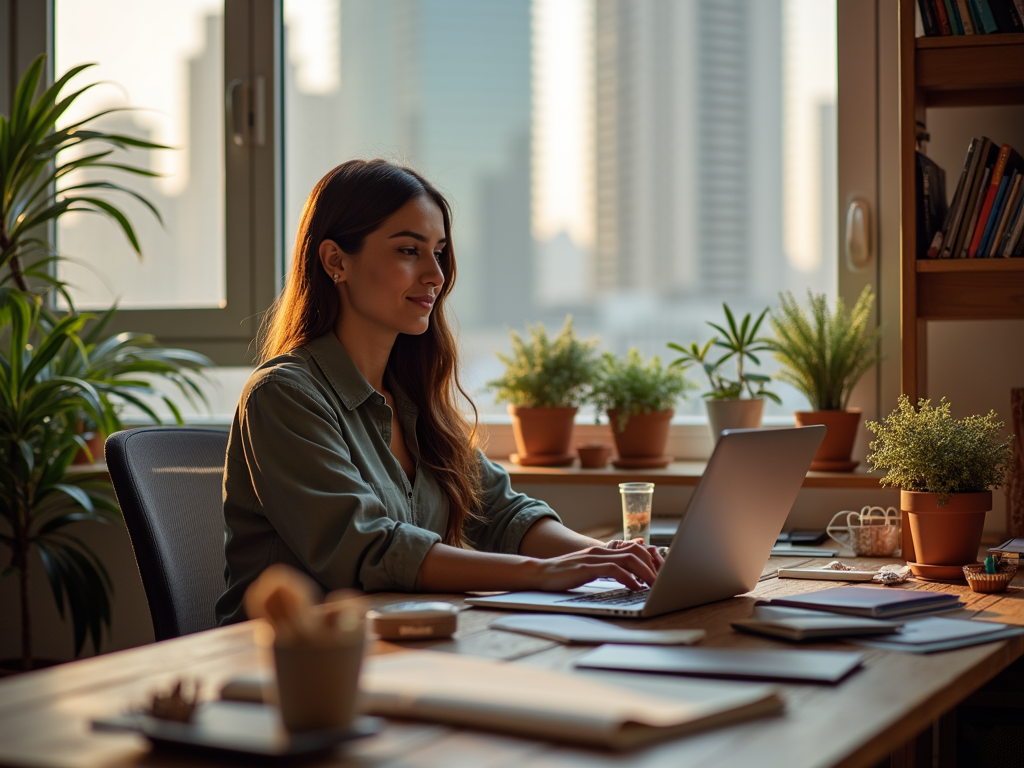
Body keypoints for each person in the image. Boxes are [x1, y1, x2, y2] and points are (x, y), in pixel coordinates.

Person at [216, 159, 662, 624]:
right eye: (409, 250)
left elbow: (504, 513)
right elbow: (369, 550)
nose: (436, 274)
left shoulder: (413, 398)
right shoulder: (283, 395)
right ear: (336, 261)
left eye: (440, 252)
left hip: (397, 647)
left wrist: (619, 562)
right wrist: (547, 573)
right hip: (287, 664)